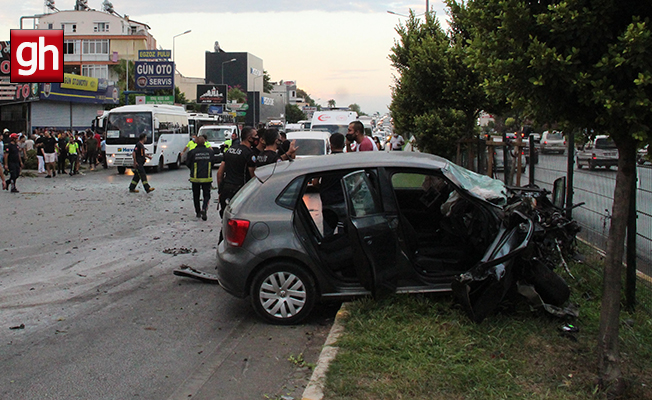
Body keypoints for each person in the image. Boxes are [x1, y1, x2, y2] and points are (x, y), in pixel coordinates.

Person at [216, 126, 258, 220]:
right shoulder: (249, 154)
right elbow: (253, 178)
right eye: (255, 135)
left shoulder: (230, 150)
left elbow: (219, 173)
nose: (257, 138)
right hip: (240, 191)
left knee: (225, 219)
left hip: (226, 189)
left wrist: (220, 190)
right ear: (249, 138)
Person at [316, 133, 347, 236]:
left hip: (328, 202)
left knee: (328, 234)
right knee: (345, 235)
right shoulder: (348, 161)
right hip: (343, 201)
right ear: (343, 145)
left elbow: (315, 182)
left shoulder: (324, 161)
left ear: (330, 145)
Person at [186, 135, 214, 221]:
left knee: (196, 195)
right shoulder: (210, 152)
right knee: (206, 195)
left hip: (195, 178)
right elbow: (213, 163)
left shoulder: (192, 152)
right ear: (205, 142)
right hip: (207, 177)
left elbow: (187, 163)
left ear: (196, 142)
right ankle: (204, 208)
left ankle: (198, 212)